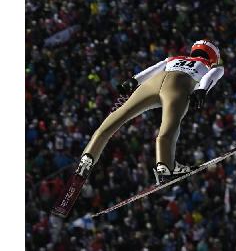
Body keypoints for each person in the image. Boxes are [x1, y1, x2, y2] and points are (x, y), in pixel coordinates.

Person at [52, 40, 225, 218]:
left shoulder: (174, 58)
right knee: (169, 127)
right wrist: (201, 90)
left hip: (151, 84)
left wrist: (133, 81)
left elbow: (154, 68)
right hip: (180, 85)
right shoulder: (211, 66)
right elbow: (211, 76)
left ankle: (88, 157)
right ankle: (164, 166)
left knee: (115, 119)